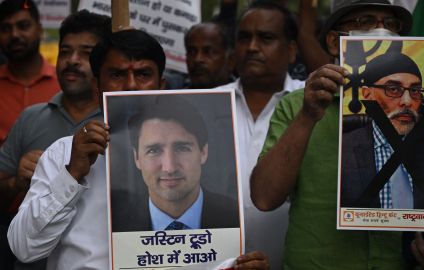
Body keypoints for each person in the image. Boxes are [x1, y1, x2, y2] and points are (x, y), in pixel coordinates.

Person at [8, 29, 268, 270]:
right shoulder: (63, 154)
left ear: (161, 84)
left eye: (143, 74)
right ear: (97, 86)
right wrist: (71, 174)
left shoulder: (221, 201)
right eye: (117, 75)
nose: (131, 86)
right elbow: (25, 249)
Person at [250, 0, 424, 269]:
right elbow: (264, 197)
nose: (382, 32)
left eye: (391, 25)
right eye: (365, 22)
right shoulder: (297, 106)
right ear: (334, 42)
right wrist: (307, 117)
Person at [0, 10, 111, 270]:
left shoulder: (118, 124)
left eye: (86, 53)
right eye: (65, 51)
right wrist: (18, 181)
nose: (72, 61)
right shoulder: (31, 118)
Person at [214, 1, 304, 269]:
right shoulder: (206, 103)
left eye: (266, 38)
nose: (252, 47)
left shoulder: (312, 103)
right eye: (244, 37)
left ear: (291, 51)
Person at [341, 51, 424, 210]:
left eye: (414, 91)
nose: (407, 102)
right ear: (367, 95)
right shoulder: (342, 148)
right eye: (393, 89)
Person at [111, 96, 239, 231]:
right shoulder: (116, 224)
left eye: (182, 148)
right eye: (154, 150)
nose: (169, 168)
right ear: (137, 157)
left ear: (203, 152)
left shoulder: (236, 217)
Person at [0, 0, 60, 146]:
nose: (14, 34)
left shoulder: (63, 84)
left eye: (23, 26)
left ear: (39, 29)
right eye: (6, 28)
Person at [184, 22, 234, 89]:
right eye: (192, 52)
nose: (197, 59)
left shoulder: (246, 97)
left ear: (230, 61)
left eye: (208, 52)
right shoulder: (175, 98)